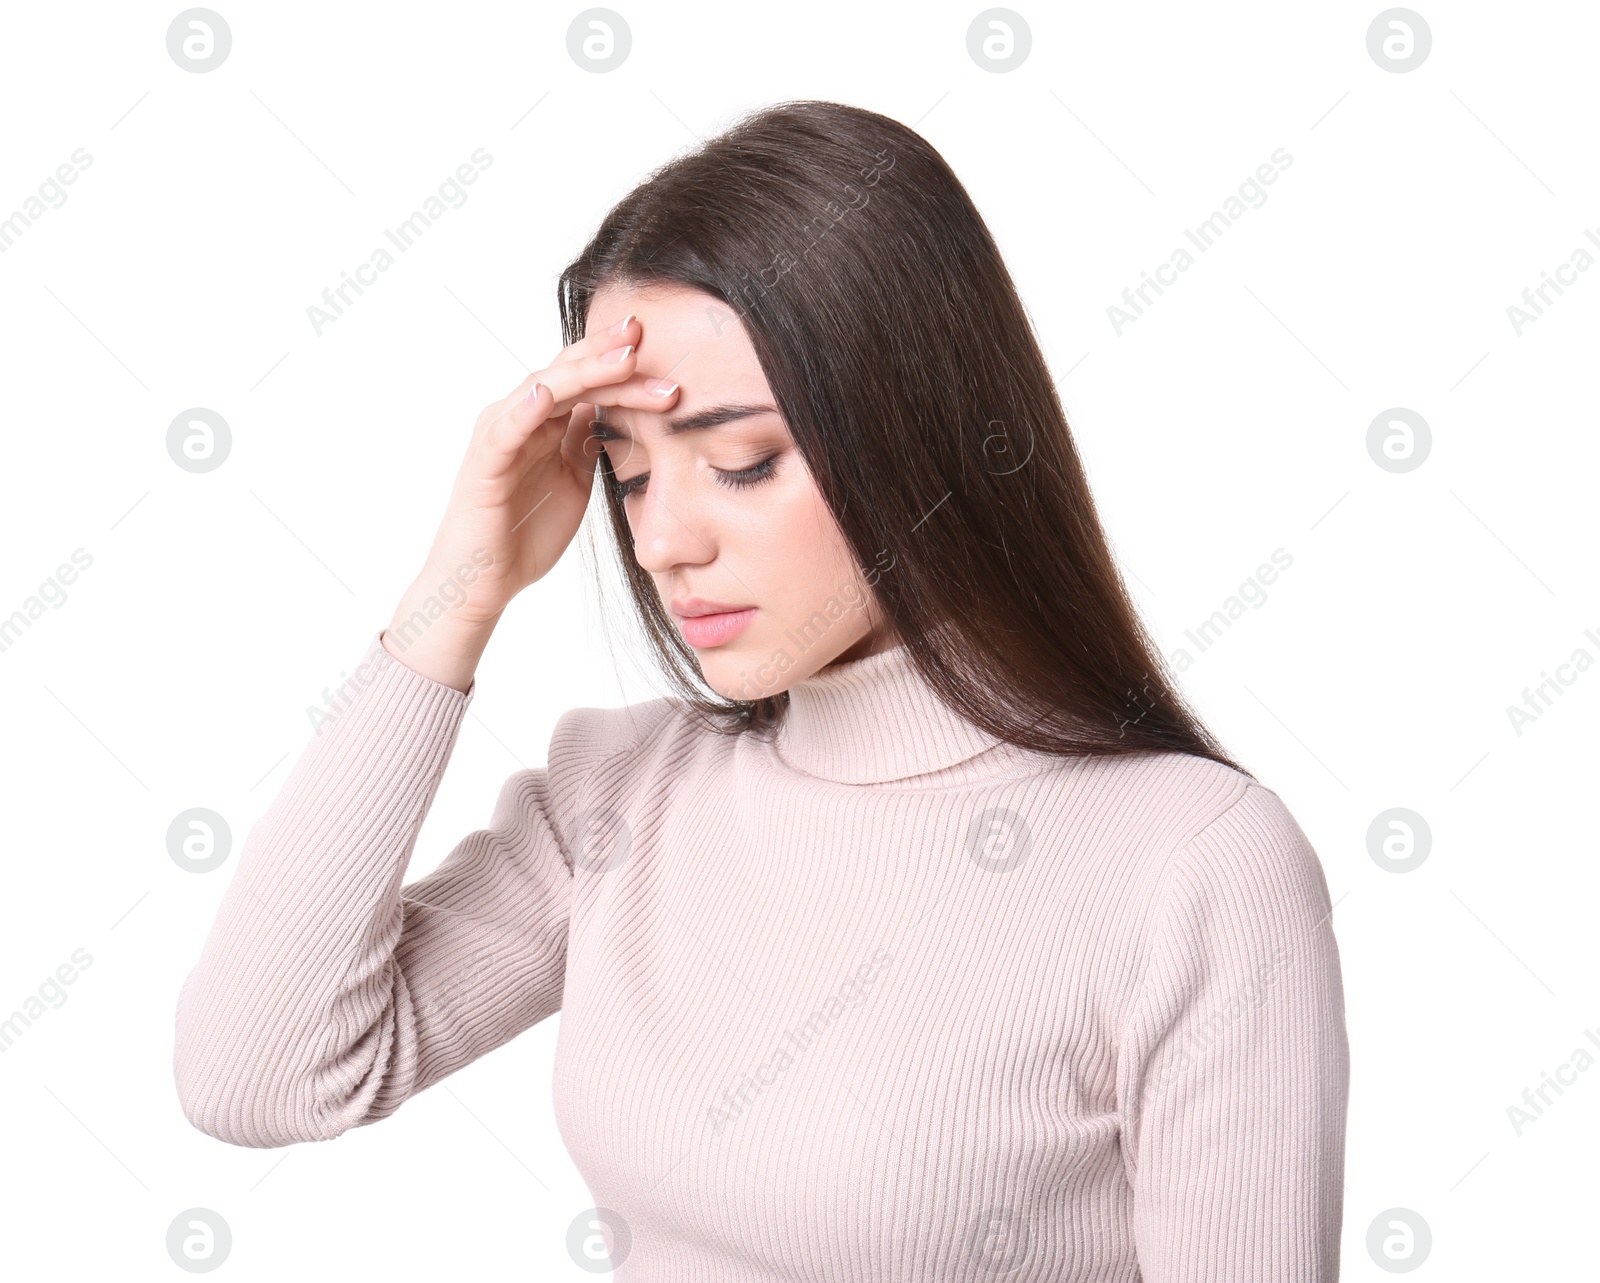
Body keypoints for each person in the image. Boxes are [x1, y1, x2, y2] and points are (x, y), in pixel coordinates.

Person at [173, 99, 1348, 1281]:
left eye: (742, 463)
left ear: (916, 432)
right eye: (626, 474)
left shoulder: (1191, 860)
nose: (662, 542)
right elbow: (258, 1073)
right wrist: (456, 594)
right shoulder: (623, 798)